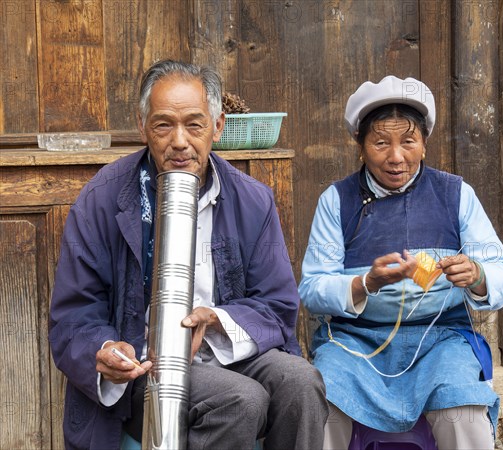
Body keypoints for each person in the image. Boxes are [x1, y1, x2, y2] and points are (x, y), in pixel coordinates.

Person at [49, 59, 327, 450]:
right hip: (146, 364)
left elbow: (278, 305)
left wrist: (218, 320)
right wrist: (107, 350)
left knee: (302, 382)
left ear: (218, 126)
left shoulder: (252, 200)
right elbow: (74, 314)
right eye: (164, 124)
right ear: (142, 126)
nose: (179, 141)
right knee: (240, 400)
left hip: (229, 349)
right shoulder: (102, 199)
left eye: (194, 124)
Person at [299, 75, 503, 450]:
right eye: (381, 142)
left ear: (424, 145)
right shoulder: (336, 200)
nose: (396, 156)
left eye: (408, 141)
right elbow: (312, 288)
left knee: (460, 406)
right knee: (322, 401)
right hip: (355, 343)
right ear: (361, 145)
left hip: (441, 340)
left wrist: (477, 274)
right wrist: (365, 282)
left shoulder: (456, 194)